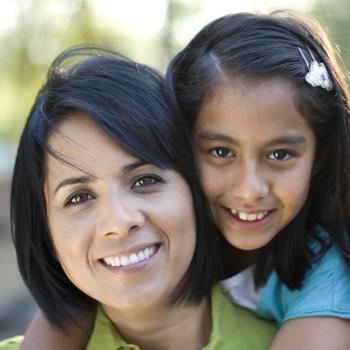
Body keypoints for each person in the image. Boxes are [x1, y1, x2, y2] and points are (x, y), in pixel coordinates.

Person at [0, 46, 276, 350]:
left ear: (196, 191)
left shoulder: (300, 339)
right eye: (78, 198)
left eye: (146, 180)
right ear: (46, 235)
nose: (119, 221)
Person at [165, 10, 350, 349]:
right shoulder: (149, 225)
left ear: (319, 158)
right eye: (221, 152)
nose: (250, 190)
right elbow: (67, 307)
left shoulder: (329, 276)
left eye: (280, 155)